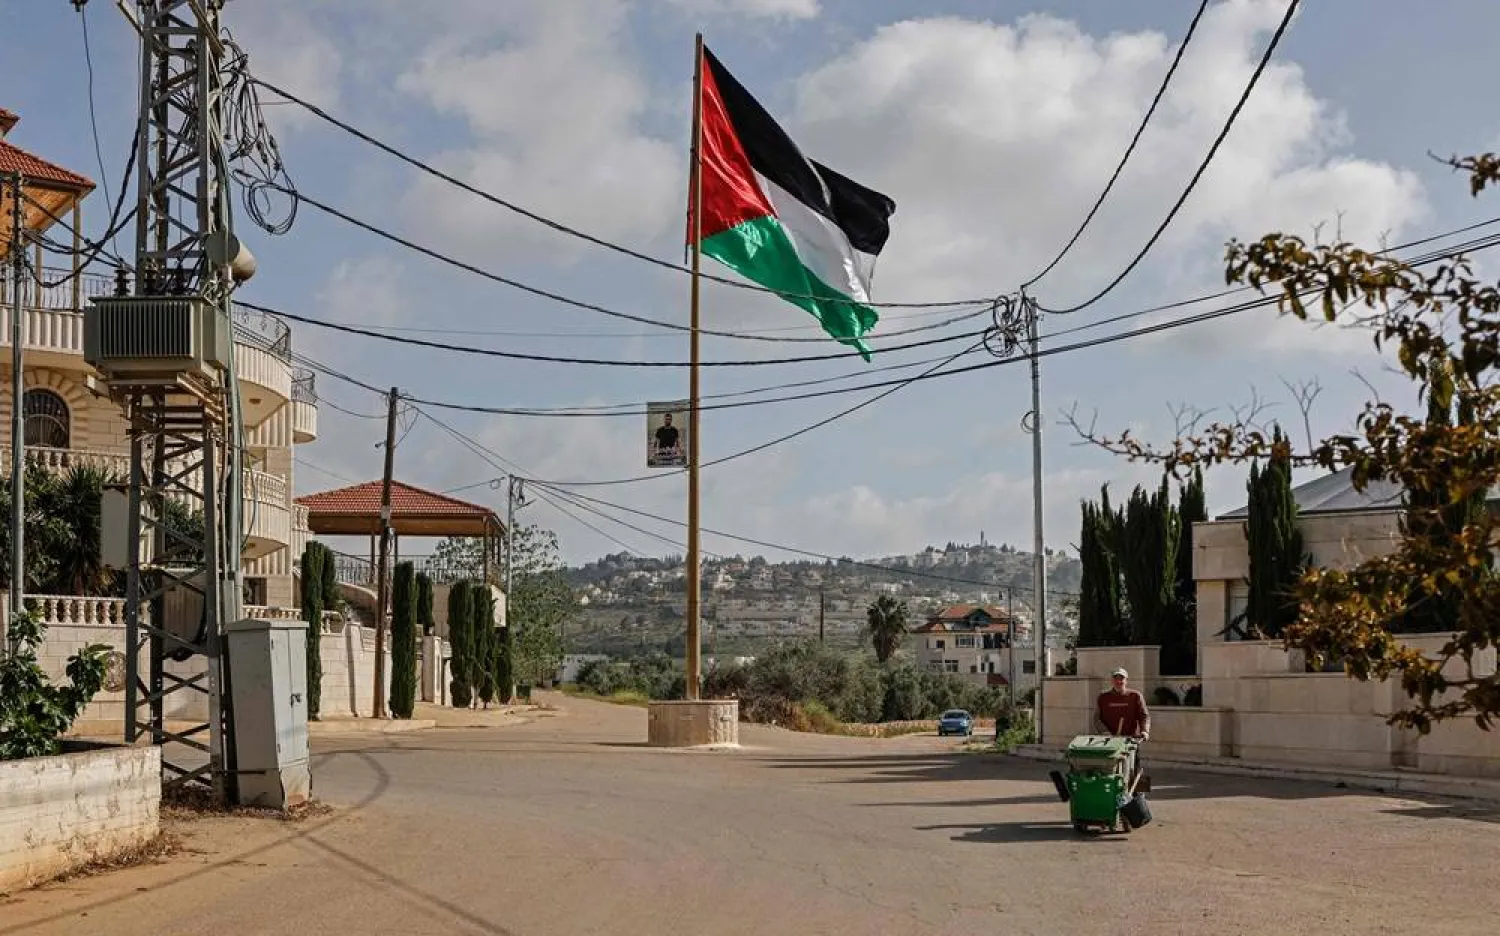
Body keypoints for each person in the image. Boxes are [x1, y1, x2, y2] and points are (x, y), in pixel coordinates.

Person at [1094, 667, 1150, 788]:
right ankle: (1113, 794)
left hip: (1130, 741)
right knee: (1112, 771)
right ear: (1112, 680)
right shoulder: (1103, 697)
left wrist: (1144, 731)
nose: (1119, 681)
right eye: (1116, 678)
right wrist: (1105, 732)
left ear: (1126, 680)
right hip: (1110, 742)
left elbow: (1144, 716)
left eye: (1122, 678)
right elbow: (1097, 719)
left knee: (1133, 769)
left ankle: (1138, 799)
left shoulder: (1135, 696)